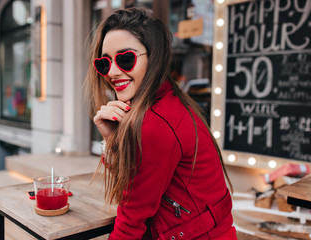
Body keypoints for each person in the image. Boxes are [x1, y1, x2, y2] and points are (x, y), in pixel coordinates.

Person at [85, 7, 237, 240]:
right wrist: (113, 139)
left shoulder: (156, 123)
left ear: (154, 57)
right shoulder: (167, 102)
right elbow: (138, 185)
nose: (113, 72)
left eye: (126, 59)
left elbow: (131, 219)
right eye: (105, 63)